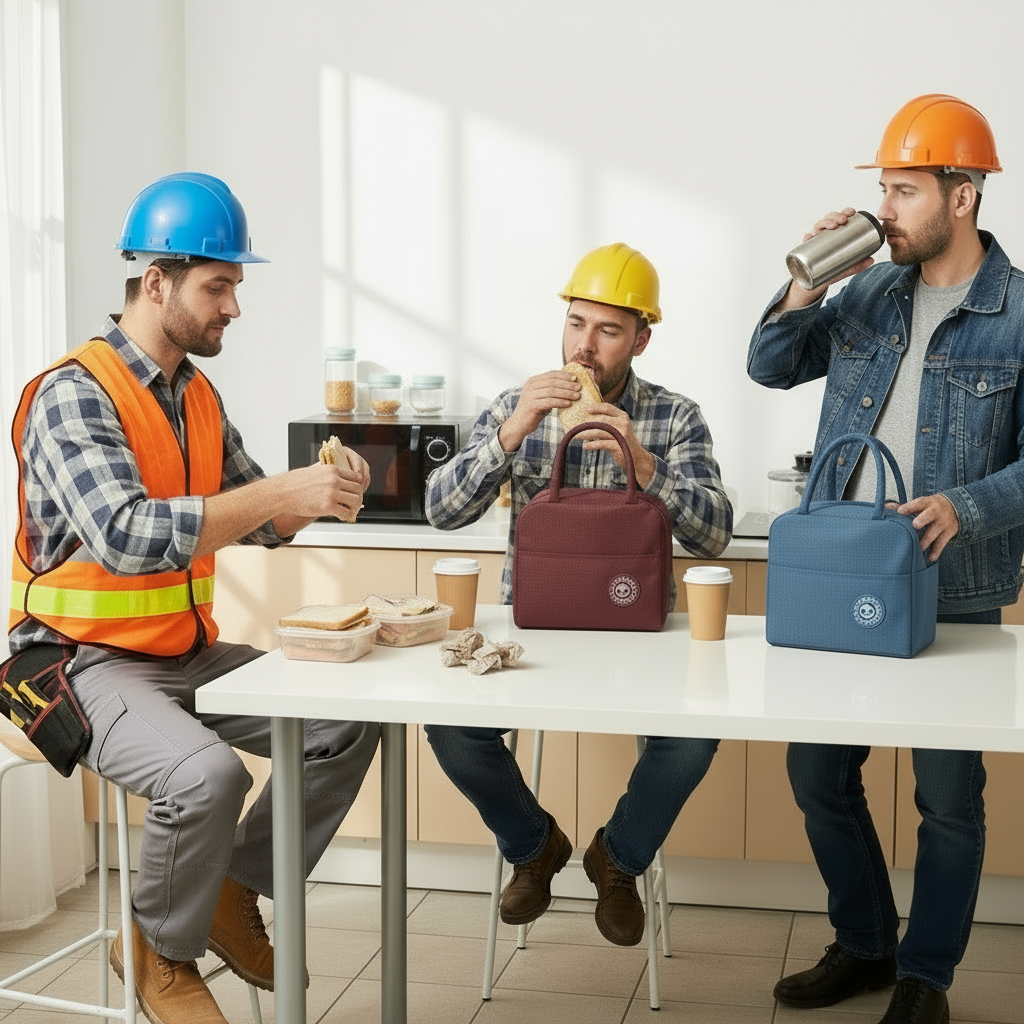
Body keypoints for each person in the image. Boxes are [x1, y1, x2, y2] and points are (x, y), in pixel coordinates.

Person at [7, 172, 380, 1024]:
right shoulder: (73, 393)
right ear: (156, 283)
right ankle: (158, 953)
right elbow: (128, 536)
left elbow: (256, 519)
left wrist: (321, 496)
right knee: (206, 776)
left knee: (347, 717)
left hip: (183, 652)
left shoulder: (197, 395)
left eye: (235, 288)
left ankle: (225, 894)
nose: (233, 309)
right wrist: (282, 491)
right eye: (220, 287)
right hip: (73, 662)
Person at [747, 94, 1022, 1024]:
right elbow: (771, 366)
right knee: (817, 774)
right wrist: (804, 286)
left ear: (965, 194)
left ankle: (926, 975)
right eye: (884, 189)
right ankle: (866, 944)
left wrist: (968, 504)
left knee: (947, 797)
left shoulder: (1019, 314)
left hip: (955, 585)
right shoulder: (865, 289)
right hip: (845, 574)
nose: (887, 209)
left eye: (905, 191)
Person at [424, 243, 733, 945]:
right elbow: (440, 511)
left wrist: (646, 464)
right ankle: (534, 846)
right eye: (575, 324)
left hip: (644, 634)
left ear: (642, 339)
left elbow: (715, 536)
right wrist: (511, 432)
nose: (584, 347)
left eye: (608, 330)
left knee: (695, 737)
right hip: (534, 633)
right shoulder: (517, 405)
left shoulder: (676, 417)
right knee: (447, 724)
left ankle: (616, 860)